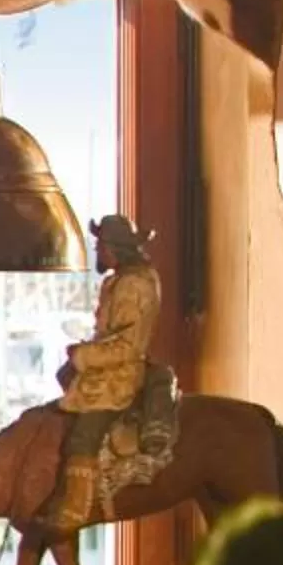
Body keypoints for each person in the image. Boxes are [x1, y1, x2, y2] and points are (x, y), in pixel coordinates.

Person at [51, 213, 172, 530]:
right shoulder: (120, 281)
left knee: (84, 436)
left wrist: (82, 357)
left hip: (117, 378)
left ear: (114, 248)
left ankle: (75, 511)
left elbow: (127, 346)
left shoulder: (134, 285)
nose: (98, 253)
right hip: (106, 370)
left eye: (101, 246)